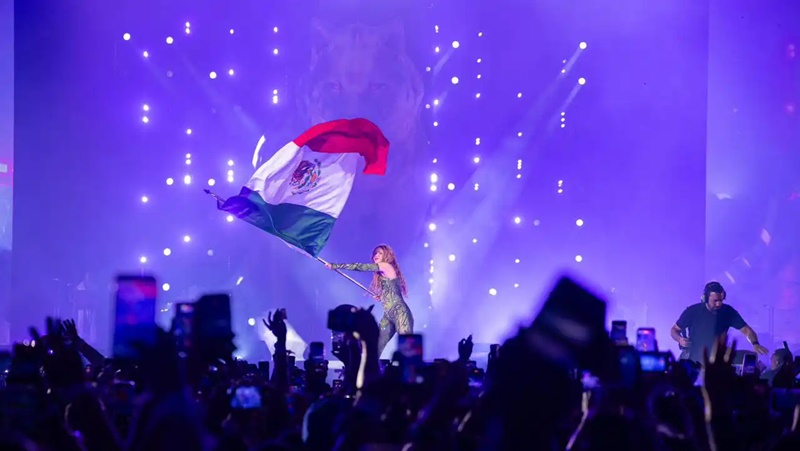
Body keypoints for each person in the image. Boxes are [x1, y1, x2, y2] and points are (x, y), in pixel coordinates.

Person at [326, 244, 414, 356]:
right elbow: (392, 291)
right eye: (375, 253)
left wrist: (336, 265)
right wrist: (382, 296)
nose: (376, 255)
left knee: (407, 350)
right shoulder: (382, 273)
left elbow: (361, 267)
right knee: (374, 348)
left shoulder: (386, 266)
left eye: (380, 253)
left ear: (387, 256)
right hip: (388, 316)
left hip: (400, 313)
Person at [671, 281, 768, 363]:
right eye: (715, 301)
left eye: (721, 300)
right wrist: (680, 339)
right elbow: (674, 330)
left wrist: (755, 343)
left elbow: (746, 330)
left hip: (716, 361)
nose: (718, 304)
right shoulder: (692, 311)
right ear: (705, 298)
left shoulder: (728, 312)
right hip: (694, 360)